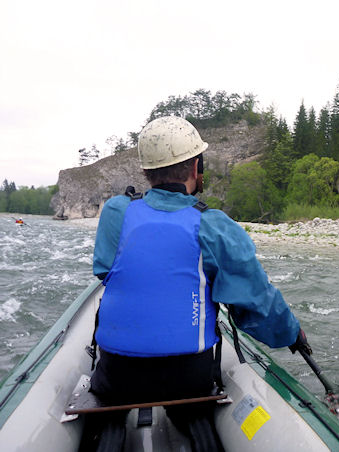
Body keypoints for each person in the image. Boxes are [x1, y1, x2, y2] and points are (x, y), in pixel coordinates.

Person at [87, 115, 311, 451]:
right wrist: (291, 333)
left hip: (117, 375)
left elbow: (107, 270)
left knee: (115, 384)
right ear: (196, 167)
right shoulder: (215, 225)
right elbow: (255, 303)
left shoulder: (117, 211)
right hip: (188, 379)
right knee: (191, 387)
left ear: (147, 171)